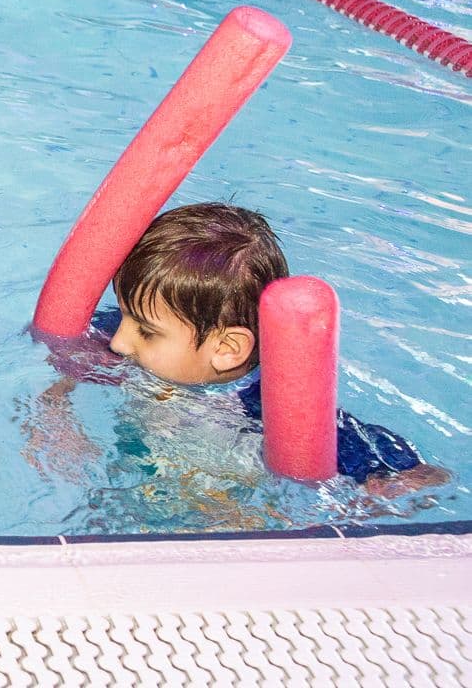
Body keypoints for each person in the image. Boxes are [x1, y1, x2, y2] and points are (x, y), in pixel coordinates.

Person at [26, 203, 448, 500]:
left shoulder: (268, 407)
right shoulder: (123, 341)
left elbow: (426, 476)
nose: (119, 341)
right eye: (123, 316)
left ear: (227, 349)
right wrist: (56, 415)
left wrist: (381, 494)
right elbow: (67, 359)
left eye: (147, 332)